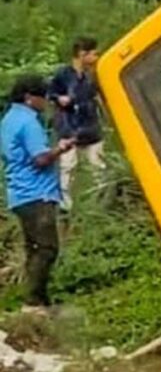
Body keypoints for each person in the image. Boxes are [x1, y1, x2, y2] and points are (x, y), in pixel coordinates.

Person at [1, 76, 76, 314]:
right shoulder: (28, 122)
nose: (46, 101)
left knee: (34, 249)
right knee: (46, 248)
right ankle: (33, 302)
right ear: (29, 97)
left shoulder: (8, 120)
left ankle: (40, 302)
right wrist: (61, 148)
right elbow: (40, 159)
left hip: (19, 193)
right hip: (37, 192)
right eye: (42, 97)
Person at [49, 37, 104, 209]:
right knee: (68, 167)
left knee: (98, 165)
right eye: (93, 54)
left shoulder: (92, 75)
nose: (96, 58)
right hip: (69, 126)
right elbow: (50, 93)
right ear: (82, 54)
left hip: (91, 126)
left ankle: (101, 201)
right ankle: (66, 205)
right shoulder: (63, 74)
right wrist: (60, 98)